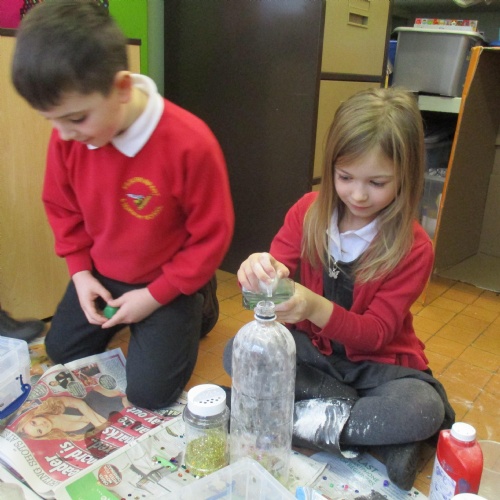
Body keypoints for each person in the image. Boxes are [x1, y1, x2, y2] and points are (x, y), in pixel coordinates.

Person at [224, 87, 455, 490]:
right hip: (316, 359)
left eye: (377, 182)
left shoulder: (414, 247)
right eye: (345, 177)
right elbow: (266, 291)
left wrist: (313, 307)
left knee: (422, 409)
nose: (359, 195)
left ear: (405, 177)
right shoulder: (307, 212)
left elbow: (376, 334)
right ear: (331, 167)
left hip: (378, 365)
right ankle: (381, 442)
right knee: (237, 351)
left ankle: (289, 418)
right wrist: (257, 275)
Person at [11, 1, 234, 410]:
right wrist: (80, 272)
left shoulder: (191, 143)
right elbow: (62, 207)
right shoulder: (68, 136)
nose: (64, 134)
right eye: (52, 121)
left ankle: (200, 303)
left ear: (122, 88)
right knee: (61, 351)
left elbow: (211, 236)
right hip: (104, 272)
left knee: (150, 395)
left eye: (77, 118)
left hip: (166, 279)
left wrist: (157, 295)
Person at [15, 386, 130, 441]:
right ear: (43, 435)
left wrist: (99, 424)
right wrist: (101, 425)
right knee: (127, 402)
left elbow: (80, 404)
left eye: (34, 423)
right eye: (39, 430)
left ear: (33, 416)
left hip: (100, 396)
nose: (41, 425)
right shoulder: (69, 435)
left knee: (120, 389)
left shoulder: (51, 404)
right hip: (115, 412)